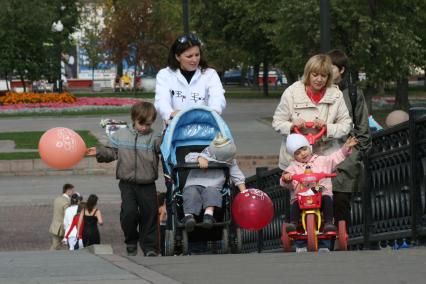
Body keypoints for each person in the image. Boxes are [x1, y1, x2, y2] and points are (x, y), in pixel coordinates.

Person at [86, 101, 162, 257]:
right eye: (142, 124)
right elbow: (112, 152)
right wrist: (99, 152)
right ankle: (131, 241)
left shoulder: (154, 137)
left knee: (150, 214)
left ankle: (149, 248)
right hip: (127, 183)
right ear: (134, 119)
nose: (145, 128)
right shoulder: (120, 135)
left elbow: (164, 148)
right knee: (129, 213)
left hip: (147, 183)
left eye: (149, 124)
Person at [272, 54, 352, 171]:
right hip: (295, 162)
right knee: (299, 189)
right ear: (308, 73)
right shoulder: (292, 92)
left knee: (324, 189)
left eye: (323, 76)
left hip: (324, 159)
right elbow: (277, 122)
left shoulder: (336, 95)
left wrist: (327, 128)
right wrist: (291, 126)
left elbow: (346, 125)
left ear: (328, 77)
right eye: (315, 75)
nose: (319, 79)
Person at [327, 49, 372, 236]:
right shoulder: (318, 91)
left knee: (340, 199)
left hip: (345, 158)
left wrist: (354, 156)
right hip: (321, 155)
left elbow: (363, 129)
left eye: (331, 68)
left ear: (342, 69)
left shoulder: (353, 93)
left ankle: (340, 239)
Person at [280, 134, 358, 234]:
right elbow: (284, 179)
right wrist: (286, 178)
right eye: (298, 153)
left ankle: (329, 222)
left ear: (309, 147)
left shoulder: (321, 160)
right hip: (301, 198)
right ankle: (294, 223)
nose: (303, 154)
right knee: (295, 202)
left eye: (304, 149)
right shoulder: (293, 167)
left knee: (327, 198)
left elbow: (335, 158)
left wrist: (345, 148)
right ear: (294, 156)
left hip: (320, 194)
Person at [154, 33, 226, 124]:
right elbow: (161, 101)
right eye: (189, 56)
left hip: (205, 128)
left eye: (197, 55)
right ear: (177, 57)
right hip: (175, 129)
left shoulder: (210, 74)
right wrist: (170, 114)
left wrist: (213, 112)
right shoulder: (165, 75)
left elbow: (218, 97)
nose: (195, 60)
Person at [182, 133, 246, 232]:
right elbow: (188, 157)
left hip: (213, 186)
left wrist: (244, 193)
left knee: (212, 192)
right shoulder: (205, 154)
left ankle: (208, 215)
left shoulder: (230, 161)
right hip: (193, 184)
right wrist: (199, 159)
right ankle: (189, 217)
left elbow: (237, 177)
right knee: (191, 193)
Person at [49, 183, 74, 250]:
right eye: (72, 191)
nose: (73, 192)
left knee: (55, 245)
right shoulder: (67, 202)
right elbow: (68, 216)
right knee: (67, 246)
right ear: (68, 190)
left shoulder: (57, 199)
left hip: (55, 226)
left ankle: (49, 256)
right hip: (62, 228)